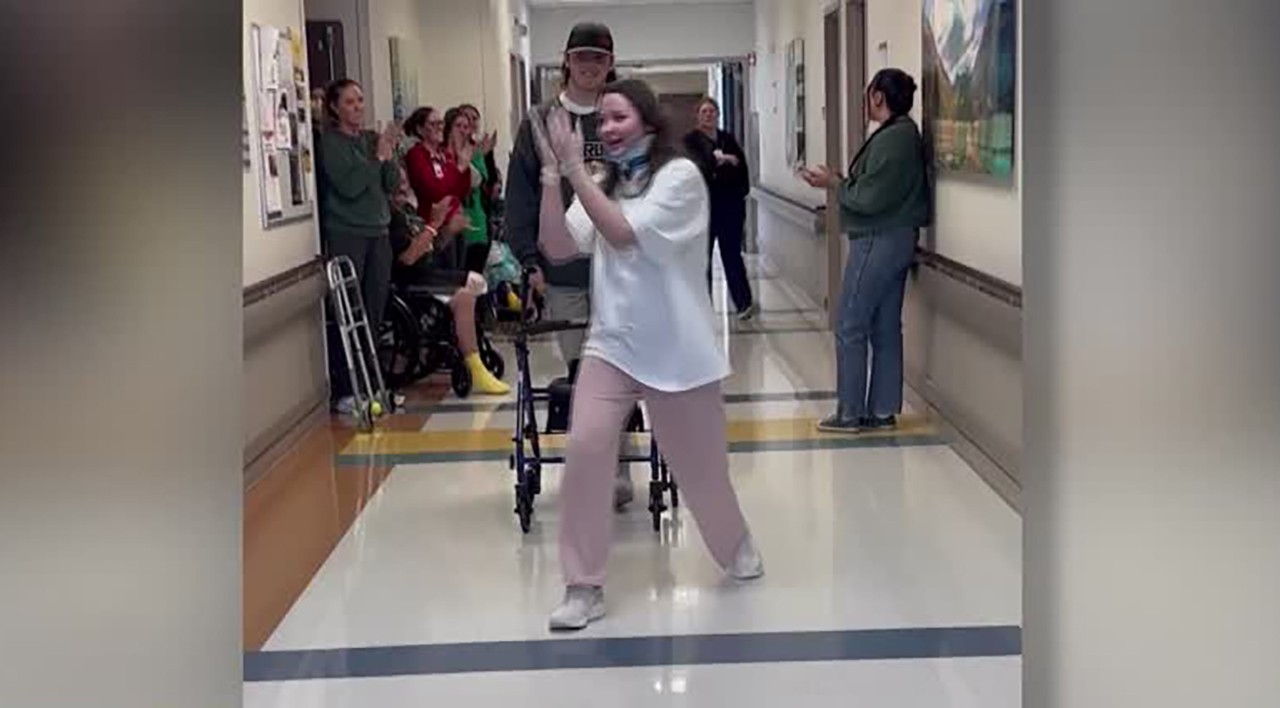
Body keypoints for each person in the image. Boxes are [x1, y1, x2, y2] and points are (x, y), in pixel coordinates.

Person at [530, 79, 764, 631]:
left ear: (649, 123)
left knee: (701, 473)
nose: (607, 129)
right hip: (612, 344)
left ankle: (735, 543)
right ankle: (583, 585)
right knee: (586, 450)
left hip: (677, 349)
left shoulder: (679, 178)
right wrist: (548, 176)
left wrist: (575, 173)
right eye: (602, 121)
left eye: (618, 118)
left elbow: (623, 234)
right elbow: (560, 246)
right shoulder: (604, 181)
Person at [505, 21, 636, 509]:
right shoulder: (539, 123)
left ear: (610, 62)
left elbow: (645, 184)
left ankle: (615, 465)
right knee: (582, 368)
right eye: (581, 56)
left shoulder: (624, 117)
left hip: (619, 270)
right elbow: (519, 194)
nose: (589, 65)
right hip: (562, 271)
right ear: (565, 60)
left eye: (598, 58)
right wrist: (526, 256)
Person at [798, 68, 930, 434]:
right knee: (886, 327)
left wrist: (834, 184)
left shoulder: (894, 139)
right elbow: (876, 186)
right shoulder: (902, 135)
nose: (866, 100)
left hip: (877, 239)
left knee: (850, 324)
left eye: (868, 93)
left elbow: (868, 199)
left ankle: (850, 412)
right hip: (897, 238)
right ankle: (883, 410)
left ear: (877, 97)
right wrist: (840, 180)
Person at [387, 173, 509, 395]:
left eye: (406, 179)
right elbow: (408, 258)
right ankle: (475, 366)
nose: (405, 183)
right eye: (400, 180)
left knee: (477, 280)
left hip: (429, 272)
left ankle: (474, 347)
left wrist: (448, 229)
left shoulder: (409, 212)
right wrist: (434, 224)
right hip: (411, 281)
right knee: (464, 296)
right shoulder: (391, 218)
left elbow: (434, 246)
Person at [317, 79, 400, 331]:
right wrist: (377, 159)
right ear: (334, 108)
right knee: (352, 305)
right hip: (348, 232)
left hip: (379, 232)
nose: (357, 107)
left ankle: (372, 363)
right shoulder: (330, 142)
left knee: (376, 305)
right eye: (349, 102)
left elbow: (391, 184)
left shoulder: (370, 138)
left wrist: (390, 155)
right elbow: (349, 187)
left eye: (360, 100)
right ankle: (351, 365)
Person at [683, 97, 757, 320]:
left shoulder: (728, 139)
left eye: (712, 111)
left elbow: (741, 169)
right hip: (702, 209)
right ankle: (702, 305)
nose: (709, 115)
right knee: (701, 258)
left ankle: (743, 303)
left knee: (732, 255)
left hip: (729, 208)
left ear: (718, 114)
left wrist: (730, 162)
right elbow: (692, 169)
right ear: (698, 116)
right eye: (704, 112)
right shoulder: (690, 142)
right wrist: (720, 161)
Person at [403, 106, 472, 271]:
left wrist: (464, 166)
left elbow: (460, 190)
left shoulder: (443, 155)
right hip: (436, 226)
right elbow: (435, 191)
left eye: (441, 123)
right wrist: (459, 168)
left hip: (456, 222)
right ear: (420, 129)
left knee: (460, 275)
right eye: (433, 124)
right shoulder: (417, 155)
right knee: (446, 280)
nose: (440, 127)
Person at [442, 106, 494, 275]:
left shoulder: (474, 153)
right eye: (459, 126)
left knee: (474, 282)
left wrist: (464, 158)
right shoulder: (440, 153)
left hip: (476, 225)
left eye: (467, 127)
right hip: (450, 229)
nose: (464, 130)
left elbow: (477, 181)